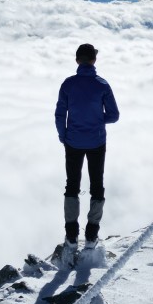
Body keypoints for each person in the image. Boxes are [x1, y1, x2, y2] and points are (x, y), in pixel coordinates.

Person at [55, 42, 119, 246]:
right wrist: (97, 119)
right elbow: (114, 115)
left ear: (77, 60)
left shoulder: (68, 84)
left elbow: (59, 114)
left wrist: (63, 135)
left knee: (72, 185)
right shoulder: (102, 85)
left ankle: (72, 235)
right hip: (96, 141)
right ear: (94, 60)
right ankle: (92, 235)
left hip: (73, 141)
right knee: (97, 185)